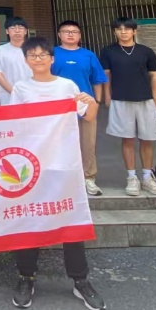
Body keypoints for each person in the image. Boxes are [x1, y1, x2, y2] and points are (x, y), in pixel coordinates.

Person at [7, 37, 105, 310]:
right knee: (29, 219)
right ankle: (26, 277)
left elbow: (89, 116)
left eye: (42, 55)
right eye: (32, 55)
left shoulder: (66, 85)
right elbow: (12, 123)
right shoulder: (21, 88)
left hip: (64, 162)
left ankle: (80, 280)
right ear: (26, 60)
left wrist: (91, 101)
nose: (38, 59)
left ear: (52, 59)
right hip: (31, 165)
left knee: (71, 220)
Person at [100, 17, 156, 197]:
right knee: (127, 139)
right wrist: (107, 96)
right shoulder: (108, 51)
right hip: (120, 99)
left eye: (127, 29)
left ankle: (147, 177)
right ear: (114, 32)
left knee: (147, 138)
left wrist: (155, 97)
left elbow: (154, 75)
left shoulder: (146, 51)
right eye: (119, 29)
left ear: (134, 31)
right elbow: (107, 76)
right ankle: (132, 178)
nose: (123, 32)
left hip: (145, 99)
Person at [53, 21, 109, 196]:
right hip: (59, 107)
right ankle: (63, 179)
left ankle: (88, 177)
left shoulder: (88, 55)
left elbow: (97, 80)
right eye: (66, 31)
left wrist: (97, 102)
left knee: (87, 143)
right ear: (59, 34)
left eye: (74, 31)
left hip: (85, 106)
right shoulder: (51, 54)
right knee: (60, 143)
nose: (70, 34)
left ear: (79, 35)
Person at [0, 17, 32, 106]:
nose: (17, 31)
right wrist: (14, 93)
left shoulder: (34, 50)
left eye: (21, 28)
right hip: (8, 97)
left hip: (32, 95)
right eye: (13, 28)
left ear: (25, 31)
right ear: (7, 31)